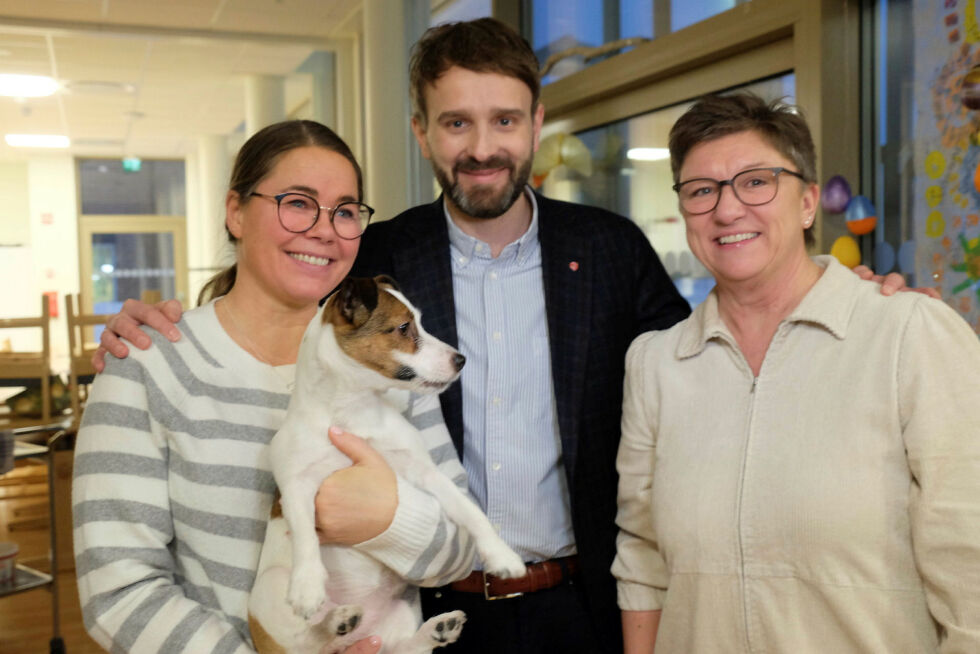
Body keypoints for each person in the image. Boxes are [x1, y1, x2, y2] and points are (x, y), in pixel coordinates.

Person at [92, 19, 917, 653]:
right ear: (422, 132)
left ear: (535, 123)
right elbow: (290, 293)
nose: (481, 147)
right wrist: (160, 320)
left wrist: (833, 292)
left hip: (580, 605)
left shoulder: (608, 247)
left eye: (504, 120)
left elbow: (712, 355)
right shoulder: (379, 256)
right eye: (455, 124)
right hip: (429, 602)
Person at [72, 120, 477, 654]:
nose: (325, 229)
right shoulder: (147, 365)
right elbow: (118, 589)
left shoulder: (394, 370)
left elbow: (460, 550)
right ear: (235, 211)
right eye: (298, 203)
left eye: (346, 211)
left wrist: (389, 518)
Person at [614, 93, 980, 653]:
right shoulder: (655, 364)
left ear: (808, 202)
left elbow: (969, 562)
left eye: (756, 181)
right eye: (701, 190)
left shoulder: (909, 335)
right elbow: (642, 562)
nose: (727, 209)